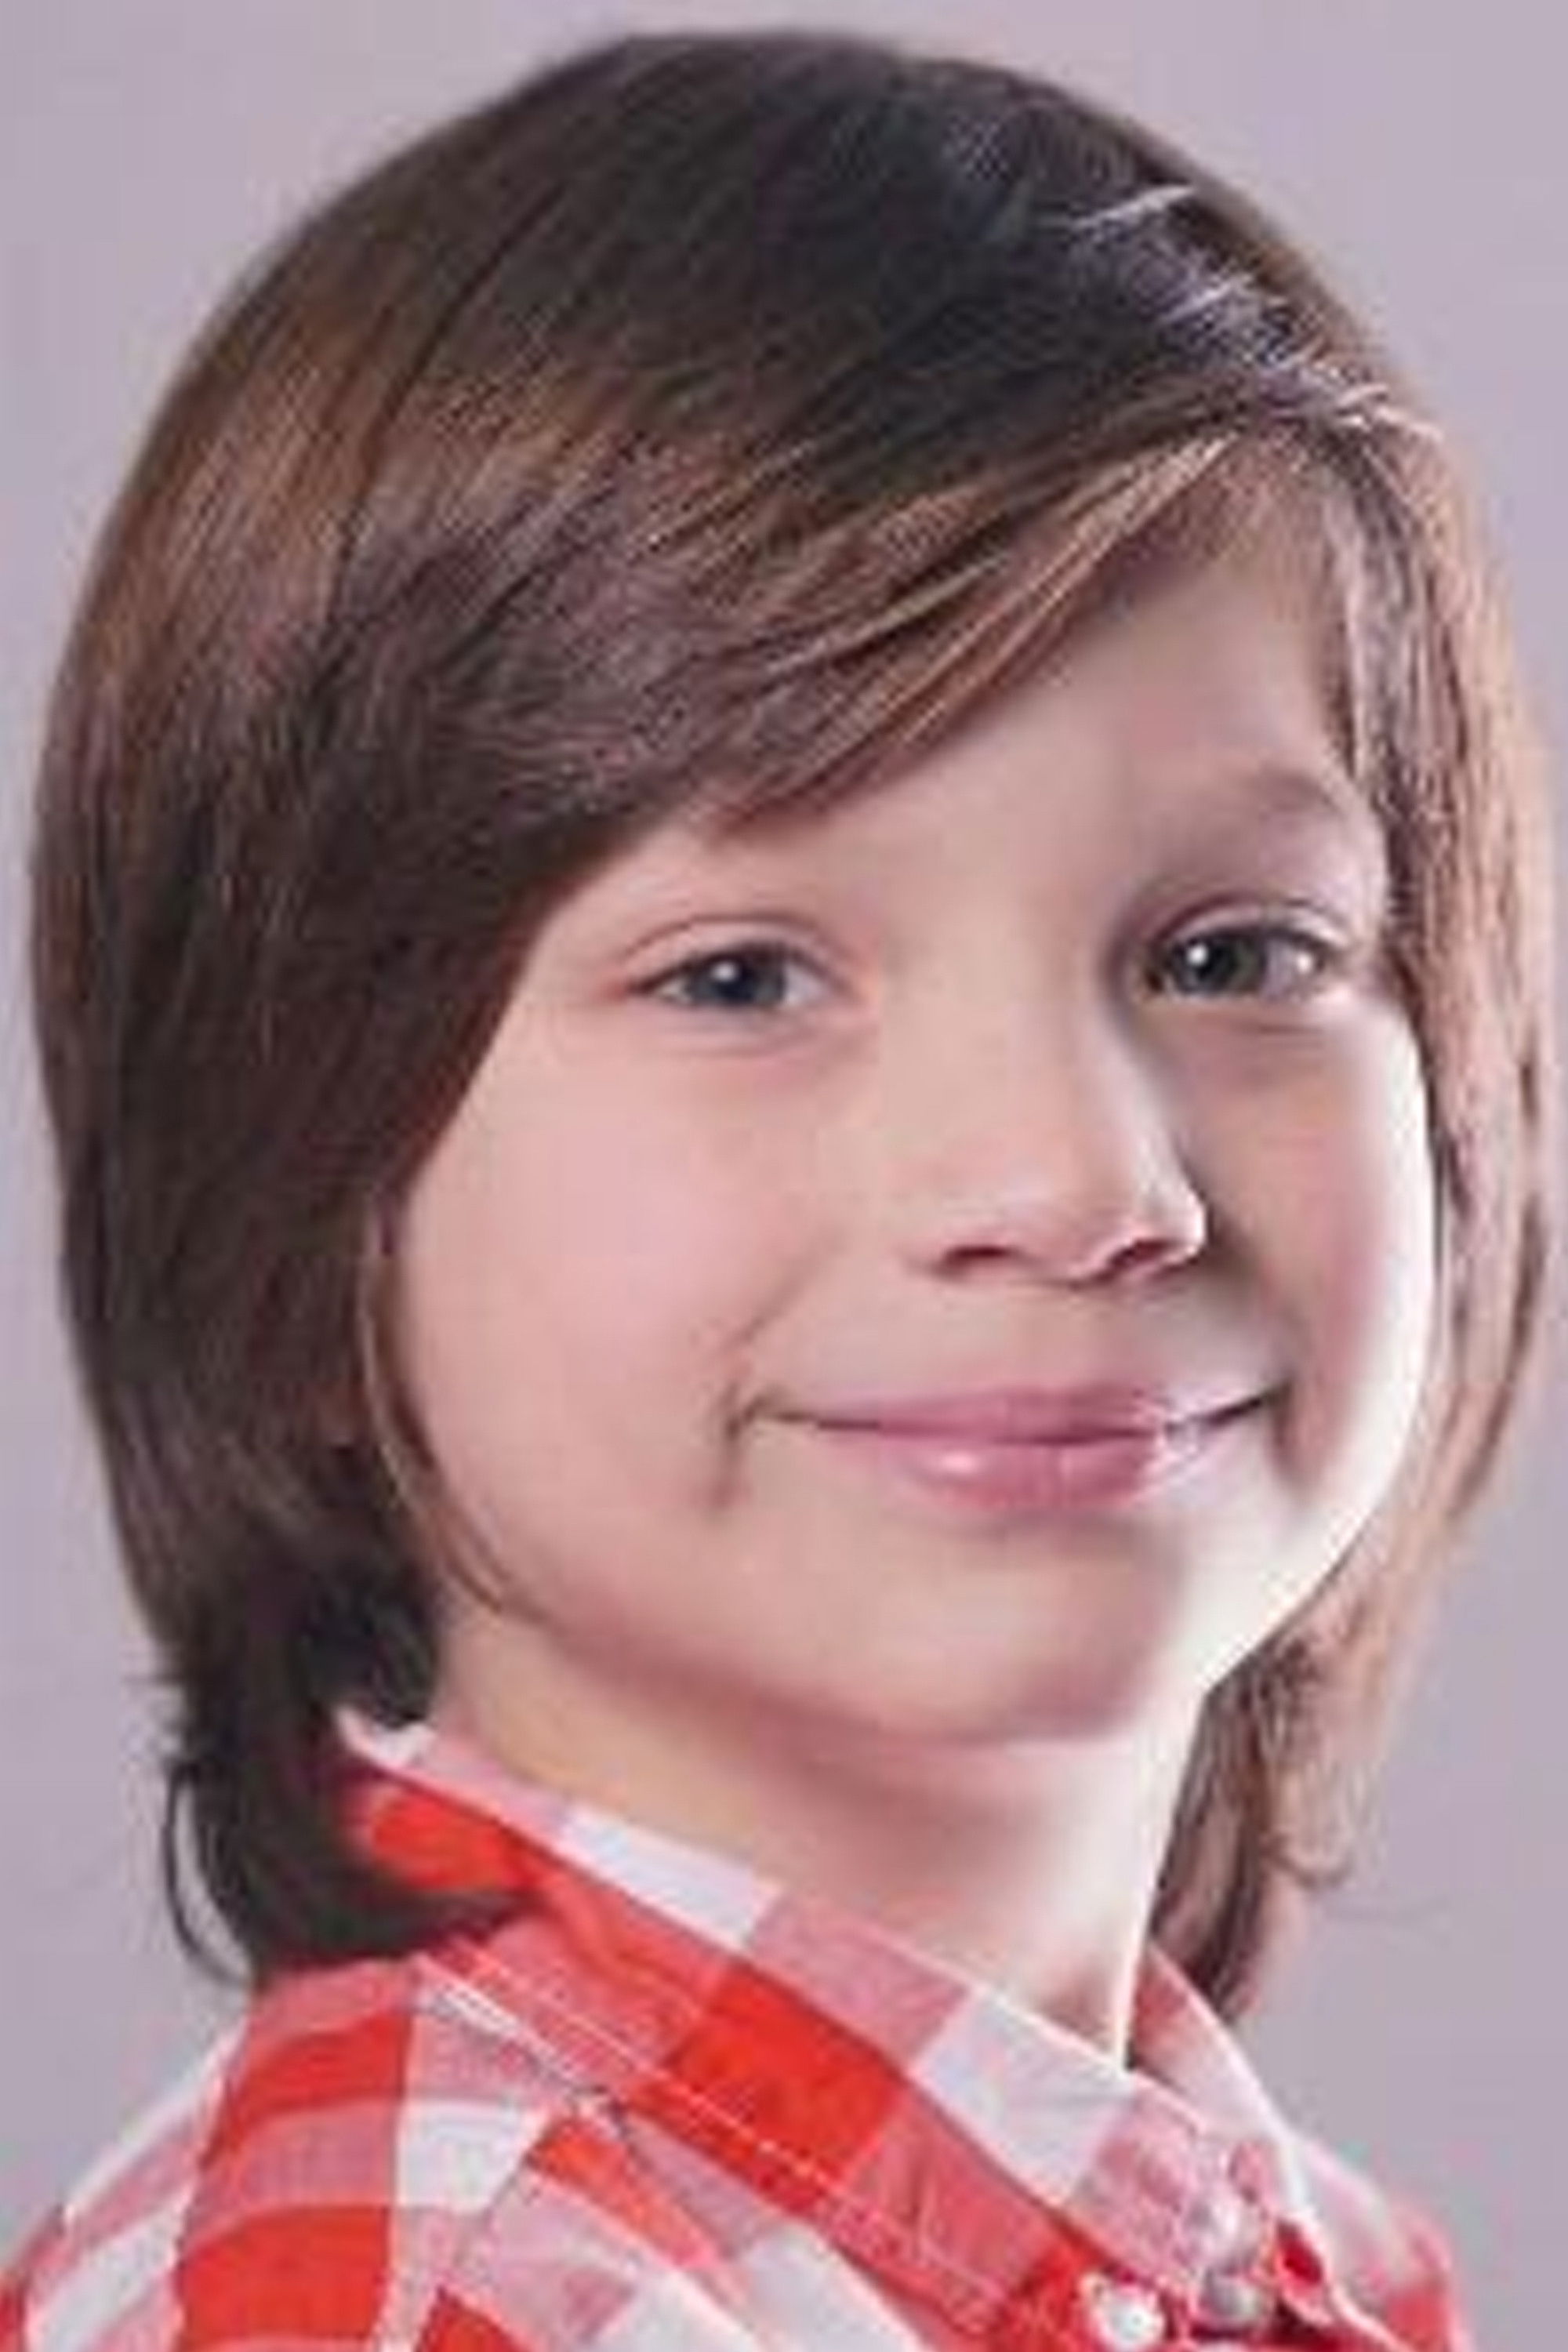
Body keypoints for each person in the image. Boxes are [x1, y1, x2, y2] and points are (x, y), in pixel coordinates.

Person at [2, 27, 1556, 2351]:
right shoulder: (401, 2304)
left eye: (1236, 955)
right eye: (741, 977)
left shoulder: (1267, 2265)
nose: (1078, 1181)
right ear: (307, 1198)